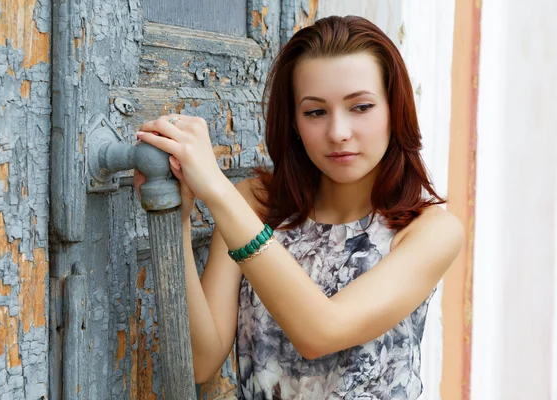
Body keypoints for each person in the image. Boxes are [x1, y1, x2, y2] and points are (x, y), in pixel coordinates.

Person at [134, 15, 463, 400]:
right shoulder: (253, 205)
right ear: (293, 122)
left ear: (395, 109)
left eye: (361, 107)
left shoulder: (430, 232)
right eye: (315, 112)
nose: (338, 132)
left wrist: (217, 192)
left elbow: (321, 332)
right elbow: (200, 361)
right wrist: (179, 222)